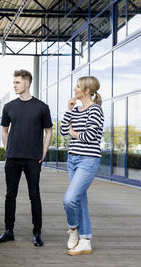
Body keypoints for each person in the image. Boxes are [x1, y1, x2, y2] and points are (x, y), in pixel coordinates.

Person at [0, 69, 52, 247]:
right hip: (12, 158)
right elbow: (4, 129)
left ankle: (37, 233)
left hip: (32, 159)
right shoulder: (9, 107)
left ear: (27, 83)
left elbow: (49, 131)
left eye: (17, 82)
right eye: (14, 82)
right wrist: (7, 150)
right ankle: (8, 231)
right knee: (10, 195)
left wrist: (44, 151)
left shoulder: (42, 107)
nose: (14, 85)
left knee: (34, 195)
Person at [60, 76, 104, 256]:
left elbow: (91, 136)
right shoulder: (76, 109)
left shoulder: (96, 110)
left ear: (87, 91)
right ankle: (85, 239)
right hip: (73, 159)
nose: (75, 89)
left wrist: (73, 132)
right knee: (79, 199)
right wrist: (69, 110)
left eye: (78, 87)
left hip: (88, 160)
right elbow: (63, 131)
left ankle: (73, 229)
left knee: (69, 199)